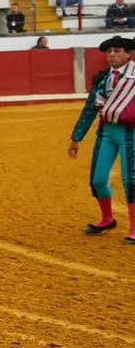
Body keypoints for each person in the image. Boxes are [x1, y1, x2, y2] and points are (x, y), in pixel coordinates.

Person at [69, 35, 135, 239]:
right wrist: (76, 138)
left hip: (131, 133)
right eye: (109, 51)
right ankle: (108, 219)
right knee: (97, 179)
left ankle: (134, 228)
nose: (112, 54)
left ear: (128, 54)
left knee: (131, 180)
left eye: (117, 50)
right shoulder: (102, 78)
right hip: (106, 132)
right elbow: (90, 109)